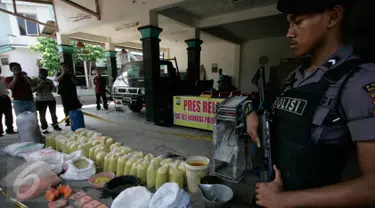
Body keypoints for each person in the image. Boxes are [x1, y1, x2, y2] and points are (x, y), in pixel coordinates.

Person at [248, 0, 375, 207]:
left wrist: (284, 200)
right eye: (289, 24)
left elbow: (372, 186)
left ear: (333, 16)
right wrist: (254, 117)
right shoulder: (294, 77)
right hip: (268, 193)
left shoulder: (359, 82)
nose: (289, 33)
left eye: (298, 22)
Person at [33, 69, 62, 134]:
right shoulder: (35, 80)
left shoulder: (49, 80)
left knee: (53, 114)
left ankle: (55, 125)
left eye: (46, 74)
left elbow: (54, 90)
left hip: (50, 98)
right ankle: (44, 128)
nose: (44, 76)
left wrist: (52, 85)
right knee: (42, 115)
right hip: (40, 99)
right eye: (43, 74)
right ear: (39, 73)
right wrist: (39, 85)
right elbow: (32, 90)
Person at [0, 66, 16, 136]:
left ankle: (10, 129)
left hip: (5, 98)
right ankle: (0, 131)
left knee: (9, 115)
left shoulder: (4, 78)